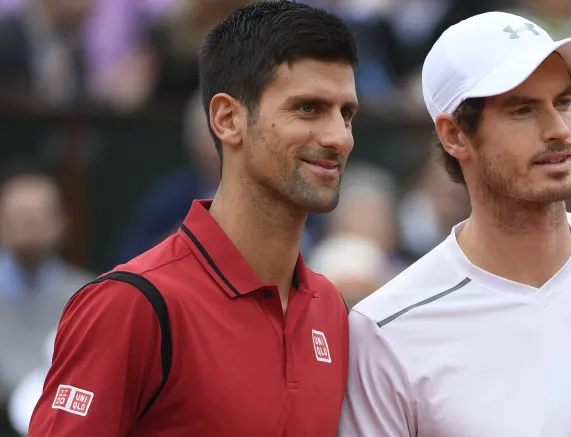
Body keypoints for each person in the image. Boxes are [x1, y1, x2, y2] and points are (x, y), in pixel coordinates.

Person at [339, 11, 571, 437]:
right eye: (523, 110)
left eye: (564, 101)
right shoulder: (386, 326)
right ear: (454, 135)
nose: (559, 130)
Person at [28, 2, 359, 436]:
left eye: (347, 113)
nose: (340, 137)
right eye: (308, 108)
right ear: (227, 119)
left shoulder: (329, 307)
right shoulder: (131, 305)